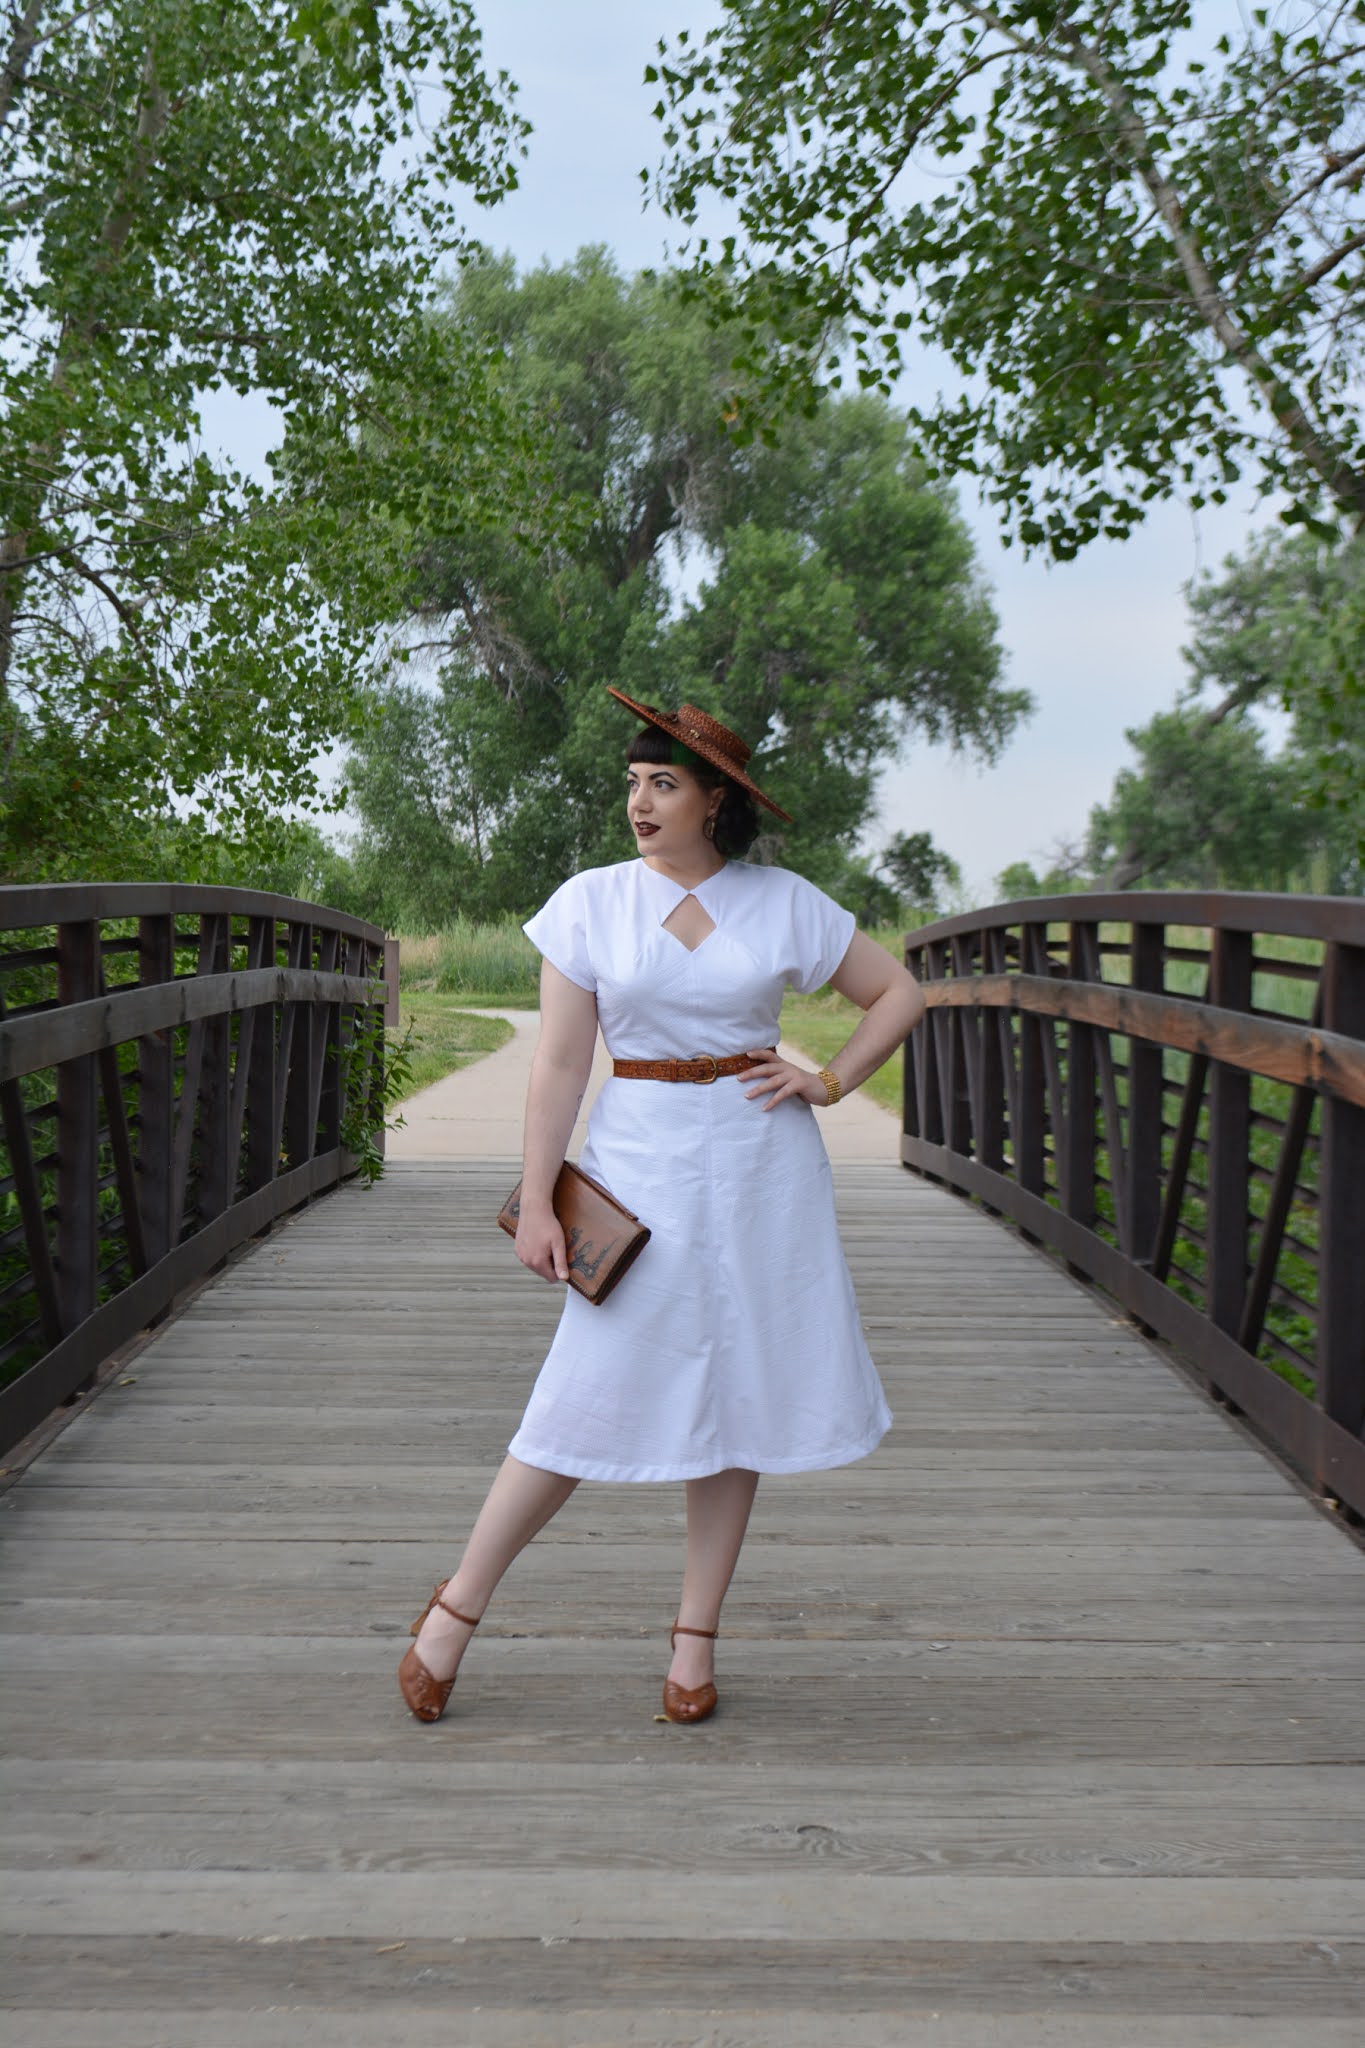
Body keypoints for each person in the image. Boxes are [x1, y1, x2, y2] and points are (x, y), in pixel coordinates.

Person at [398, 690, 926, 1726]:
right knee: (579, 1391)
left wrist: (827, 1082)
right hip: (637, 1167)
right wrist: (540, 1199)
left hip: (763, 1170)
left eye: (663, 784)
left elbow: (899, 992)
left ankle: (694, 1645)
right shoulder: (588, 902)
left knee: (739, 1399)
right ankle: (454, 1610)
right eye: (633, 783)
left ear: (715, 800)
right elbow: (559, 1064)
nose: (639, 802)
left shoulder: (783, 902)